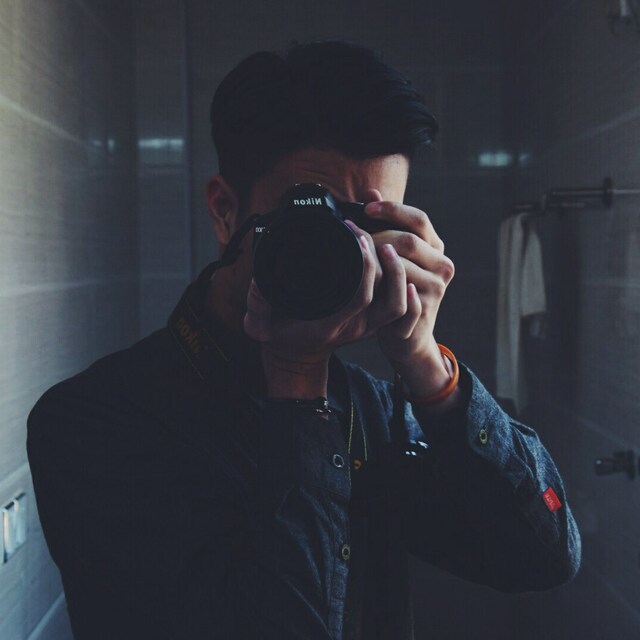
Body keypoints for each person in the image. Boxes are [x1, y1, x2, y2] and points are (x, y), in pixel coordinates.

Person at [26, 40, 581, 640]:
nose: (342, 251)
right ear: (225, 211)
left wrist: (427, 366)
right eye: (313, 220)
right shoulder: (91, 422)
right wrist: (295, 373)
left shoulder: (370, 409)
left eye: (367, 226)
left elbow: (543, 557)